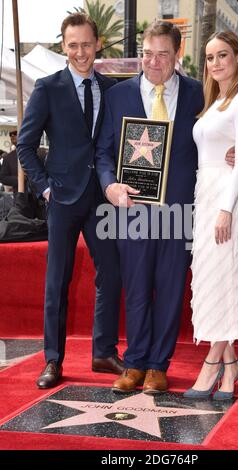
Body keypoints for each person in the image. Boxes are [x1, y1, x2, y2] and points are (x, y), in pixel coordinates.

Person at [95, 21, 234, 394]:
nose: (153, 62)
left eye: (162, 54)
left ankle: (159, 365)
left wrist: (230, 152)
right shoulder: (117, 95)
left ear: (178, 55)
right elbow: (104, 151)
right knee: (136, 287)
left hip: (182, 209)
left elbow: (219, 131)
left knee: (170, 286)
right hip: (132, 209)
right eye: (147, 53)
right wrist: (109, 186)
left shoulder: (197, 93)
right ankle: (136, 362)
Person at [17, 12, 123, 389]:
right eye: (72, 45)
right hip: (62, 198)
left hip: (102, 198)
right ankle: (52, 359)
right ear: (64, 46)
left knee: (111, 273)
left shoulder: (112, 89)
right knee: (56, 281)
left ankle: (103, 352)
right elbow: (25, 147)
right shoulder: (47, 88)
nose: (80, 51)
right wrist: (46, 188)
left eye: (86, 44)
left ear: (98, 45)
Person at [184, 30, 238, 401]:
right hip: (206, 196)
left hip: (226, 201)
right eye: (210, 57)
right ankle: (231, 368)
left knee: (227, 277)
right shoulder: (216, 103)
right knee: (213, 279)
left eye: (222, 55)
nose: (215, 64)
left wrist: (226, 209)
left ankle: (212, 362)